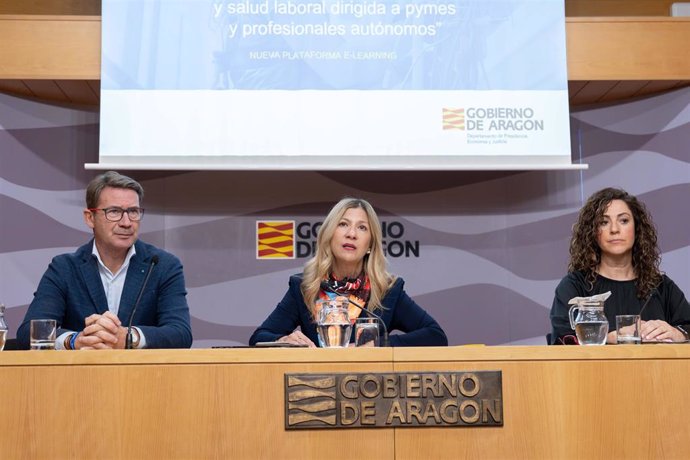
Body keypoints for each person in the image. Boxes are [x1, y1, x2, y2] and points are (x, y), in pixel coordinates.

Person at [17, 171, 193, 350]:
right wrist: (77, 340)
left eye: (133, 212)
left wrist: (128, 337)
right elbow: (28, 332)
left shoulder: (162, 266)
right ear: (90, 218)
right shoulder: (65, 268)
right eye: (114, 212)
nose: (126, 222)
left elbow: (180, 333)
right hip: (81, 375)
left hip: (143, 376)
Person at [249, 198, 448, 347]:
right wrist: (283, 340)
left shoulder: (387, 291)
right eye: (343, 224)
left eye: (362, 228)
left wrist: (377, 345)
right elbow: (259, 337)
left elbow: (435, 335)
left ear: (370, 244)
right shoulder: (305, 287)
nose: (351, 234)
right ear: (329, 235)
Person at [549, 187, 690, 344]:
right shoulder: (575, 286)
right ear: (592, 232)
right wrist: (609, 338)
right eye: (604, 222)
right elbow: (562, 339)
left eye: (623, 220)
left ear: (637, 229)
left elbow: (687, 326)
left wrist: (678, 334)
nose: (614, 229)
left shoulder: (661, 286)